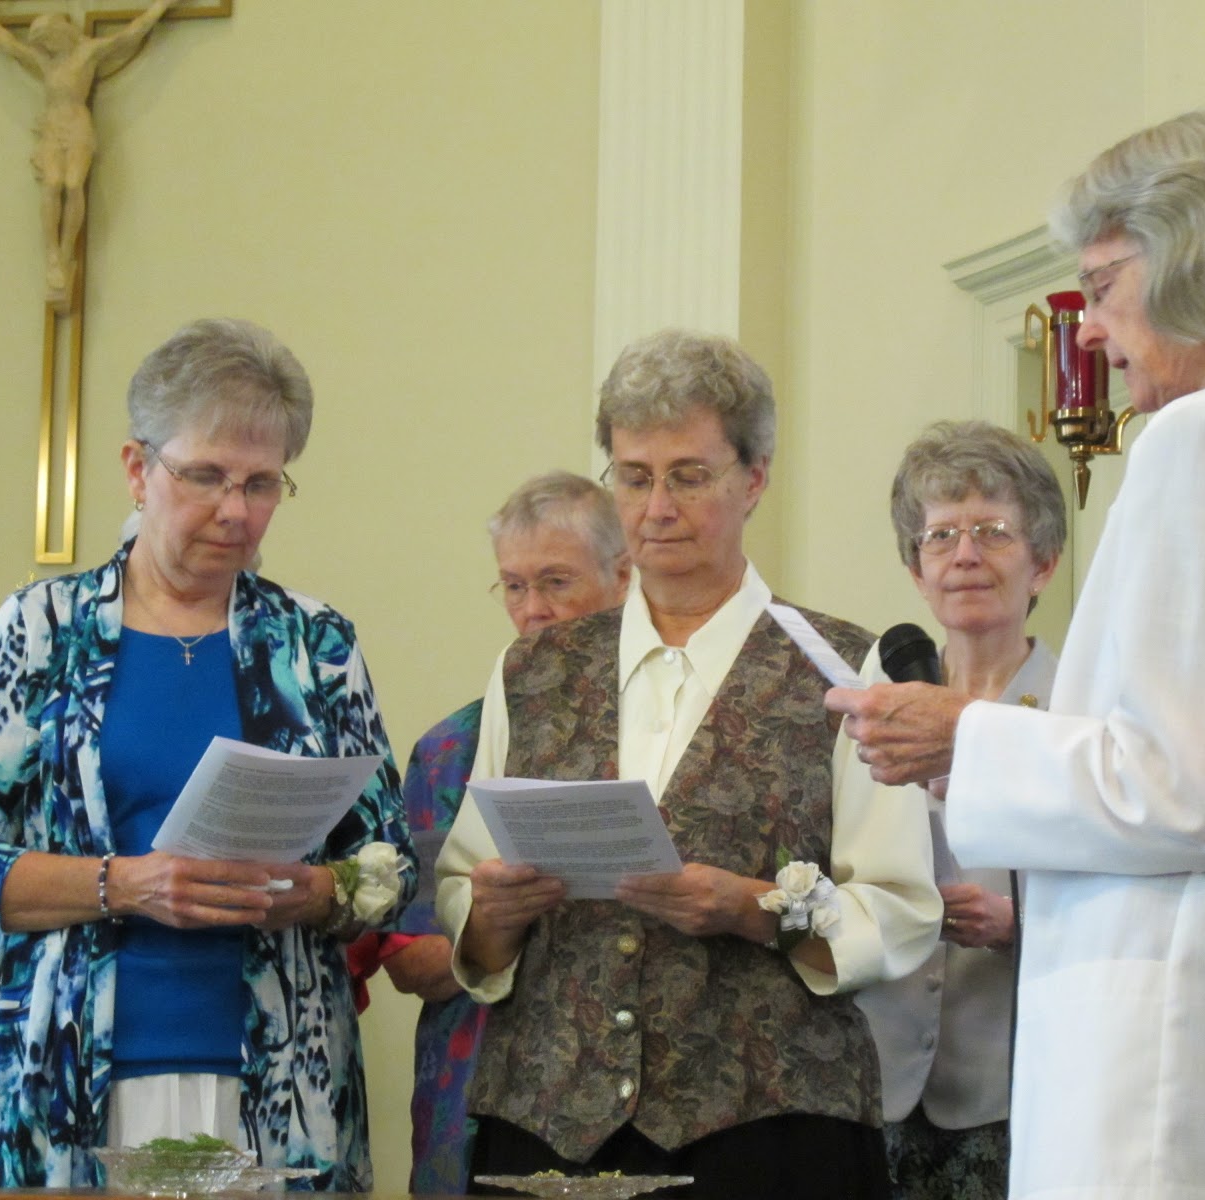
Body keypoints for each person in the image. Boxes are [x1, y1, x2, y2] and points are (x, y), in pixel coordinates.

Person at [828, 109, 1205, 1199]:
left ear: (1195, 258)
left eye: (1100, 286)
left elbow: (1177, 788)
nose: (1089, 332)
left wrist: (964, 737)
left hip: (1181, 1083)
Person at [437, 329, 942, 1198]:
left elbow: (898, 909)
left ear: (755, 478)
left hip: (769, 1135)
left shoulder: (841, 668)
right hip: (549, 1124)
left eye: (689, 476)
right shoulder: (533, 670)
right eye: (634, 477)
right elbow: (462, 890)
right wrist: (491, 913)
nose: (657, 508)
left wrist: (757, 910)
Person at [0, 317, 415, 1190]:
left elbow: (390, 863)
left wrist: (318, 893)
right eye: (207, 476)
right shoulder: (42, 630)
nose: (236, 510)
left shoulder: (314, 644)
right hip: (67, 1071)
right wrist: (126, 884)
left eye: (262, 483)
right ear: (137, 468)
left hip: (282, 1078)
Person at [350, 470, 630, 1195]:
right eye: (513, 586)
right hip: (477, 1097)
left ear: (624, 576)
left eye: (557, 582)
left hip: (642, 1104)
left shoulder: (671, 740)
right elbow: (413, 962)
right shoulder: (451, 750)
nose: (533, 610)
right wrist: (508, 924)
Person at [854, 421, 1064, 1200]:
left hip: (1020, 1082)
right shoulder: (874, 711)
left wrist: (1019, 924)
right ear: (917, 572)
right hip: (878, 1080)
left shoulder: (1081, 716)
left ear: (1044, 562)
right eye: (941, 536)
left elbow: (1136, 898)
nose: (965, 555)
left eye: (993, 532)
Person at [0, 0, 182, 305]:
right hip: (52, 127)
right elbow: (9, 45)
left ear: (60, 33)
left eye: (48, 40)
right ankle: (53, 255)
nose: (46, 46)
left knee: (74, 183)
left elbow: (131, 34)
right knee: (52, 183)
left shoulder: (88, 52)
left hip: (78, 127)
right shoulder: (44, 62)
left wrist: (162, 5)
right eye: (42, 43)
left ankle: (66, 252)